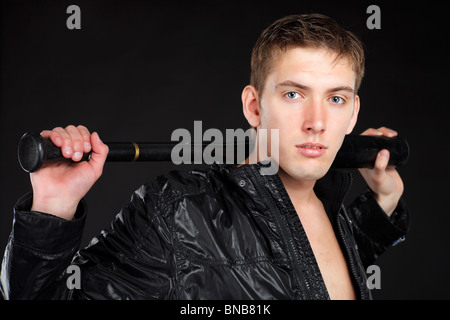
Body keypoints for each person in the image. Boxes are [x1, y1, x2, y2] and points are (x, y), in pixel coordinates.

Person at [0, 13, 409, 300]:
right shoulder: (179, 212)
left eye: (335, 99)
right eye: (292, 94)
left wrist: (384, 201)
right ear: (253, 107)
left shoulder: (331, 206)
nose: (317, 122)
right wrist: (51, 211)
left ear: (353, 112)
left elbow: (306, 273)